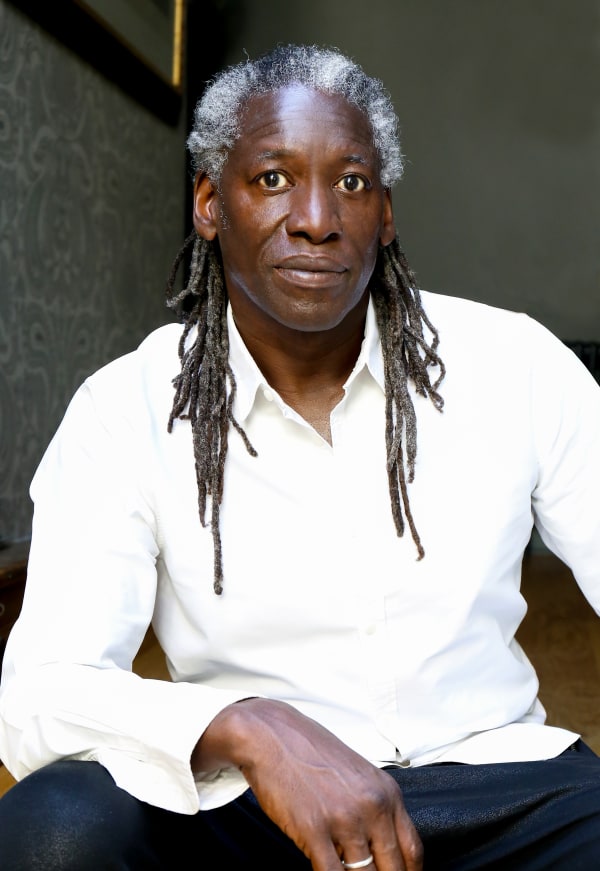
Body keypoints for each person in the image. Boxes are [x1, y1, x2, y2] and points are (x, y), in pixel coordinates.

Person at [0, 43, 599, 871]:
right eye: (273, 178)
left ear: (385, 213)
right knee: (52, 829)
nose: (316, 217)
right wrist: (249, 726)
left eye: (351, 181)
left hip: (505, 793)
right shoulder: (125, 408)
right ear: (211, 203)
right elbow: (42, 692)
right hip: (250, 809)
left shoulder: (516, 365)